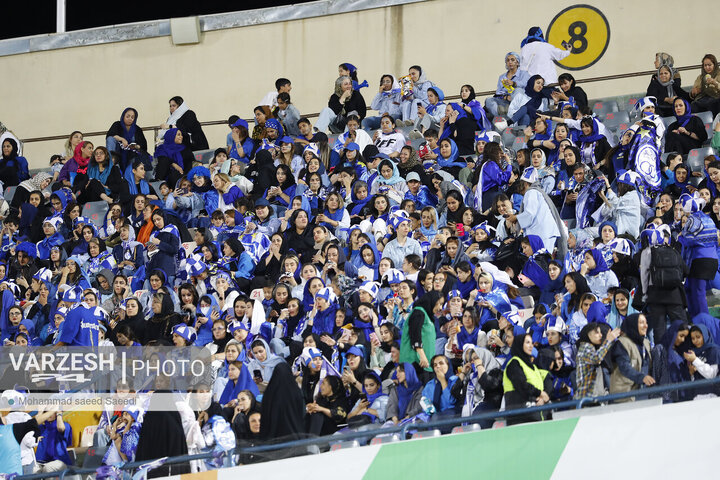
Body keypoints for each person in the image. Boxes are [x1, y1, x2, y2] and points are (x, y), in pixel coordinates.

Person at [504, 167, 566, 256]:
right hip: (545, 233)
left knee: (542, 262)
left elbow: (529, 215)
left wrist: (515, 217)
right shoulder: (536, 192)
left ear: (525, 184)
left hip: (543, 234)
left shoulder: (531, 192)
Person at [502, 333, 552, 425]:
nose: (531, 346)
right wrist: (540, 393)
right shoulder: (514, 363)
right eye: (527, 342)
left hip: (537, 417)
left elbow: (539, 387)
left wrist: (542, 398)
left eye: (532, 343)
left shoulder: (534, 368)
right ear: (520, 344)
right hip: (520, 418)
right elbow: (522, 385)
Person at [610, 314, 655, 402]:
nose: (646, 326)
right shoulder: (622, 343)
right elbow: (624, 367)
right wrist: (642, 377)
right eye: (641, 323)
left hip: (643, 393)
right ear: (633, 324)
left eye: (646, 322)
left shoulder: (646, 343)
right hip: (624, 396)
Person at [574, 322, 620, 398]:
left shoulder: (591, 348)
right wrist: (608, 341)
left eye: (601, 333)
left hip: (592, 397)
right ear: (588, 335)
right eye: (597, 333)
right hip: (586, 400)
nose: (601, 335)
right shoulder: (585, 348)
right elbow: (597, 358)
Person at [485, 52, 529, 118]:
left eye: (512, 60)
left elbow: (525, 84)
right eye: (508, 60)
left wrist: (514, 83)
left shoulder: (524, 73)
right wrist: (505, 97)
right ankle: (501, 115)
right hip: (505, 101)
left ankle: (513, 113)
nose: (510, 62)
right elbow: (498, 92)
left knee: (518, 90)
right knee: (489, 100)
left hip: (518, 101)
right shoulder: (502, 77)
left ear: (517, 62)